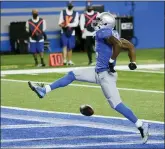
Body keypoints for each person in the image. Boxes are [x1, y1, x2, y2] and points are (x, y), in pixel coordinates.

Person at [28, 12, 149, 144]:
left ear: (105, 24)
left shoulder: (102, 33)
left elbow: (118, 45)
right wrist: (133, 62)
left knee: (116, 104)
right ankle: (44, 90)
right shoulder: (114, 33)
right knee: (72, 74)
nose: (96, 22)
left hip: (106, 76)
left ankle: (141, 124)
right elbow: (130, 46)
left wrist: (111, 59)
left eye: (99, 21)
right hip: (98, 71)